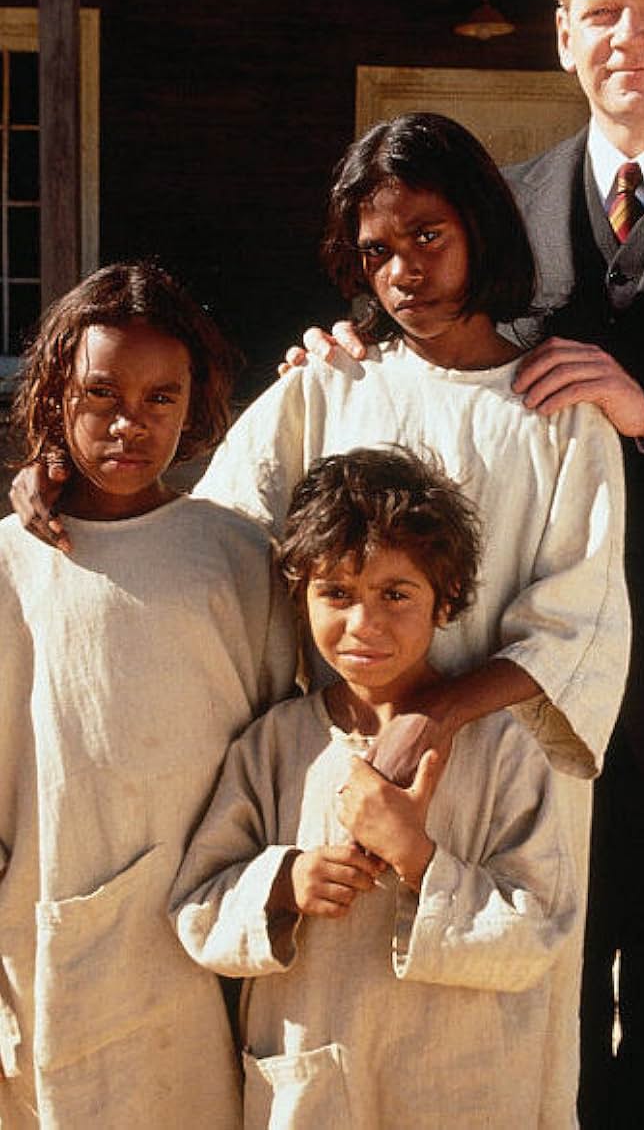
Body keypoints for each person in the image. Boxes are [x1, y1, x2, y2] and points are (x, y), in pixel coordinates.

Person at [284, 0, 644, 1129]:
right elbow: (417, 333)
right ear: (562, 40)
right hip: (512, 670)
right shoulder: (500, 210)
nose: (628, 33)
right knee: (544, 973)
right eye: (599, 12)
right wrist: (338, 351)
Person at [8, 114, 629, 1125]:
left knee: (489, 1046)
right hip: (336, 764)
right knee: (329, 1028)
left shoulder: (554, 409)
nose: (403, 273)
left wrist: (436, 713)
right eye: (377, 251)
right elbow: (202, 522)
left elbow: (580, 621)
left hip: (499, 771)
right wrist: (59, 472)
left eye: (428, 235)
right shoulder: (332, 386)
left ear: (481, 226)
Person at [170, 446, 578, 1128]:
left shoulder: (499, 748)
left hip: (458, 1083)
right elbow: (198, 906)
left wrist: (419, 857)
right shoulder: (275, 746)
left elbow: (541, 928)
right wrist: (283, 882)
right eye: (337, 592)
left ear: (444, 598)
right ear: (299, 591)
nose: (365, 624)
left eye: (395, 593)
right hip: (315, 1084)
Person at [0, 262, 294, 1128]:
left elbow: (281, 753)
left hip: (208, 942)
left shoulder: (239, 558)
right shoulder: (13, 563)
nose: (131, 423)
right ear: (56, 392)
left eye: (161, 397)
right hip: (48, 940)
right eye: (101, 393)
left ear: (195, 400)